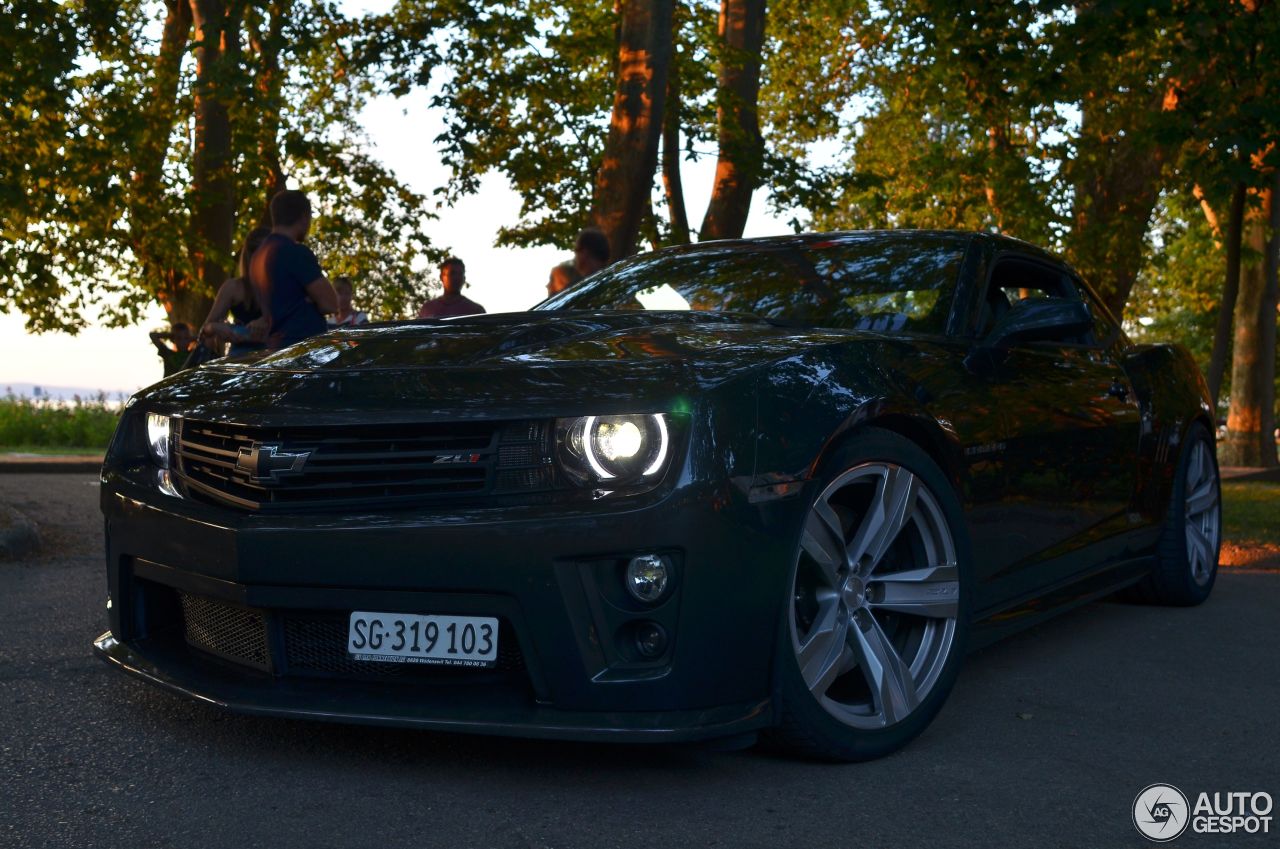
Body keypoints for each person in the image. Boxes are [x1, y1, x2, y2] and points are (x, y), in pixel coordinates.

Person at [250, 189, 338, 348]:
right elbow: (330, 304)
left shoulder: (257, 257)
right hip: (303, 349)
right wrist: (310, 299)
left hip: (274, 348)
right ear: (304, 217)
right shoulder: (295, 252)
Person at [200, 227, 271, 357]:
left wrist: (266, 321)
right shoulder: (233, 287)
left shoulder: (283, 283)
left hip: (275, 354)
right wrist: (216, 327)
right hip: (240, 358)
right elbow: (206, 328)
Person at [417, 257, 485, 319]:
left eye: (460, 274)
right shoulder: (427, 309)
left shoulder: (476, 311)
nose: (456, 278)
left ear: (464, 278)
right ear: (441, 277)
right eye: (452, 273)